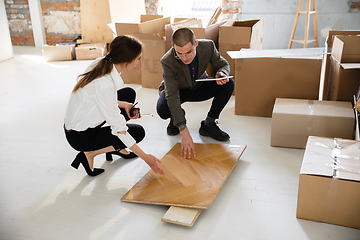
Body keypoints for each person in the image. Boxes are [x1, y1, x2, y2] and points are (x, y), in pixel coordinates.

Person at [64, 35, 164, 176]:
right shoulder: (104, 85)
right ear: (127, 62)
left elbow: (100, 99)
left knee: (128, 94)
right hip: (79, 136)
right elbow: (119, 129)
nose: (139, 62)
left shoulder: (101, 62)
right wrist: (145, 157)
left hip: (79, 123)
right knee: (137, 133)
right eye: (138, 58)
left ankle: (118, 147)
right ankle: (90, 153)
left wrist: (124, 105)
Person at [156, 27, 234, 159]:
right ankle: (176, 119)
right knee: (163, 109)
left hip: (199, 85)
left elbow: (224, 64)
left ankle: (208, 124)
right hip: (177, 90)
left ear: (196, 43)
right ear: (173, 47)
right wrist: (183, 129)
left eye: (189, 52)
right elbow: (172, 95)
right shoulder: (167, 60)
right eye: (179, 53)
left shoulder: (208, 46)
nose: (184, 58)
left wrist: (223, 74)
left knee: (228, 84)